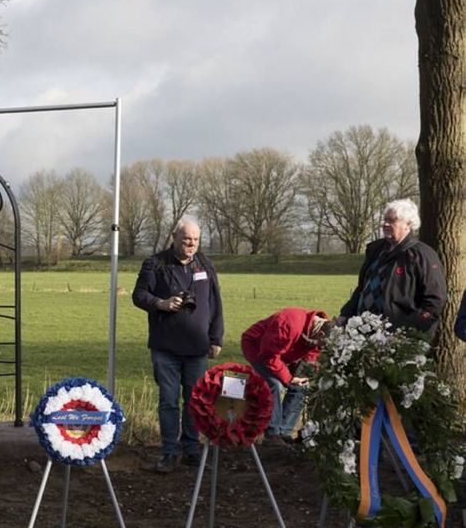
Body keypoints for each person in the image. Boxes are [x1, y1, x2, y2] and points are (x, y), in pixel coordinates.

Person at [132, 216, 224, 472]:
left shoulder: (205, 263)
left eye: (195, 240)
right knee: (169, 401)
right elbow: (138, 295)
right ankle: (170, 452)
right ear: (174, 237)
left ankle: (192, 449)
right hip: (166, 348)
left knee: (195, 400)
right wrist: (160, 303)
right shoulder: (155, 264)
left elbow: (215, 302)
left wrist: (216, 337)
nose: (191, 244)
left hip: (197, 348)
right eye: (186, 239)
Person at [339, 199, 447, 339]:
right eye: (385, 220)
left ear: (408, 225)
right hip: (362, 333)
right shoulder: (376, 250)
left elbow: (435, 299)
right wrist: (346, 314)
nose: (385, 224)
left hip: (397, 337)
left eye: (392, 221)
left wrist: (409, 331)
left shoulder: (422, 255)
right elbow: (362, 287)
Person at [241, 308, 331, 443]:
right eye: (322, 344)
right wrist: (288, 378)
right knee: (275, 385)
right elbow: (268, 355)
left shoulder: (318, 331)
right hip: (258, 349)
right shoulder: (288, 323)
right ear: (321, 334)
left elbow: (312, 352)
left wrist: (304, 373)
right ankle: (272, 433)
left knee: (302, 386)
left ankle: (284, 431)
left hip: (283, 354)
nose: (321, 348)